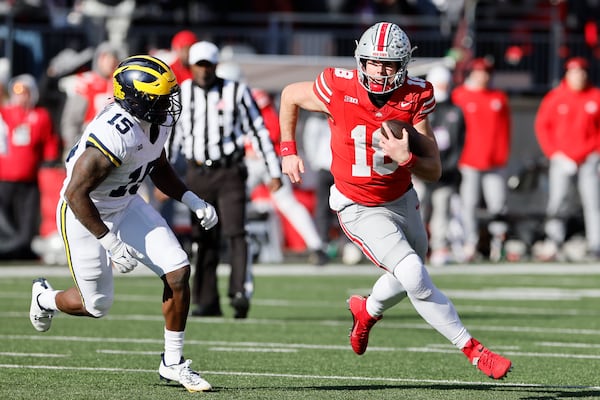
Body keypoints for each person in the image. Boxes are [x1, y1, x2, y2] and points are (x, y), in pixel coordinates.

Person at [278, 21, 512, 380]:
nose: (380, 70)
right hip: (357, 204)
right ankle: (474, 351)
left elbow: (433, 170)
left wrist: (408, 159)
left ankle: (367, 310)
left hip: (401, 198)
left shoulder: (415, 96)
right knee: (414, 274)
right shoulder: (338, 86)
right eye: (374, 62)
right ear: (362, 60)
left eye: (389, 64)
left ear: (403, 65)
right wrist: (288, 149)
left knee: (407, 272)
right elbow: (290, 95)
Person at [29, 55, 218, 392]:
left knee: (178, 271)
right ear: (135, 99)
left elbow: (156, 164)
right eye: (158, 99)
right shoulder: (113, 134)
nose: (167, 105)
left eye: (167, 97)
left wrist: (191, 199)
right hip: (84, 213)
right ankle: (45, 298)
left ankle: (172, 363)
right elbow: (75, 194)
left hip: (126, 203)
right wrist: (111, 243)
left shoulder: (157, 121)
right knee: (96, 305)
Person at [169, 41, 281, 318]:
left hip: (230, 171)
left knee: (235, 232)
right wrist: (166, 175)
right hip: (197, 173)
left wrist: (273, 170)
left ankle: (240, 292)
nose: (204, 71)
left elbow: (258, 130)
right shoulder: (181, 94)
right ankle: (207, 301)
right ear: (191, 66)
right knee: (202, 237)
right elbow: (173, 137)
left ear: (216, 65)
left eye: (208, 65)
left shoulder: (236, 91)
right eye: (199, 65)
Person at [247, 88, 328, 265]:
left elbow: (273, 129)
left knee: (287, 203)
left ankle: (316, 246)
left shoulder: (251, 96)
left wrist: (252, 146)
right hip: (246, 160)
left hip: (265, 158)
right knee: (232, 200)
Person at [534, 57, 600, 261]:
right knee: (557, 201)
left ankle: (596, 244)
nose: (579, 75)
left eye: (582, 71)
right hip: (562, 159)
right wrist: (555, 153)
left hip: (589, 159)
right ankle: (554, 242)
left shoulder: (595, 96)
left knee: (593, 202)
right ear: (567, 74)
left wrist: (593, 152)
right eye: (574, 71)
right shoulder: (555, 97)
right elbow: (542, 127)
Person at [451, 58, 511, 262]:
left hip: (494, 162)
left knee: (498, 204)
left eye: (486, 72)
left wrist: (502, 155)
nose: (482, 76)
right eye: (478, 72)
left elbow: (506, 130)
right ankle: (470, 243)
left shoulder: (498, 97)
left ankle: (498, 243)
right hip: (469, 160)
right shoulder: (460, 96)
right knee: (468, 205)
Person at [0, 74, 61, 259]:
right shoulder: (6, 113)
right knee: (6, 218)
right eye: (17, 93)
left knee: (27, 218)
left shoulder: (41, 116)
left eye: (25, 92)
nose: (21, 97)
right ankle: (6, 249)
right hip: (5, 176)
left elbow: (50, 142)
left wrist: (50, 161)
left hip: (29, 177)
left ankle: (22, 249)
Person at [413, 65, 465, 266]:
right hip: (421, 170)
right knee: (417, 210)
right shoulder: (421, 109)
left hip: (444, 172)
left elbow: (459, 143)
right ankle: (416, 249)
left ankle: (439, 247)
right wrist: (417, 165)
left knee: (442, 211)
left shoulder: (455, 111)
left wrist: (446, 167)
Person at [60, 41, 123, 155]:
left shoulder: (121, 85)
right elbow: (72, 120)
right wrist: (73, 145)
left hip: (115, 142)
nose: (110, 62)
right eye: (106, 58)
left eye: (113, 58)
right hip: (89, 142)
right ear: (99, 59)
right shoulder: (86, 83)